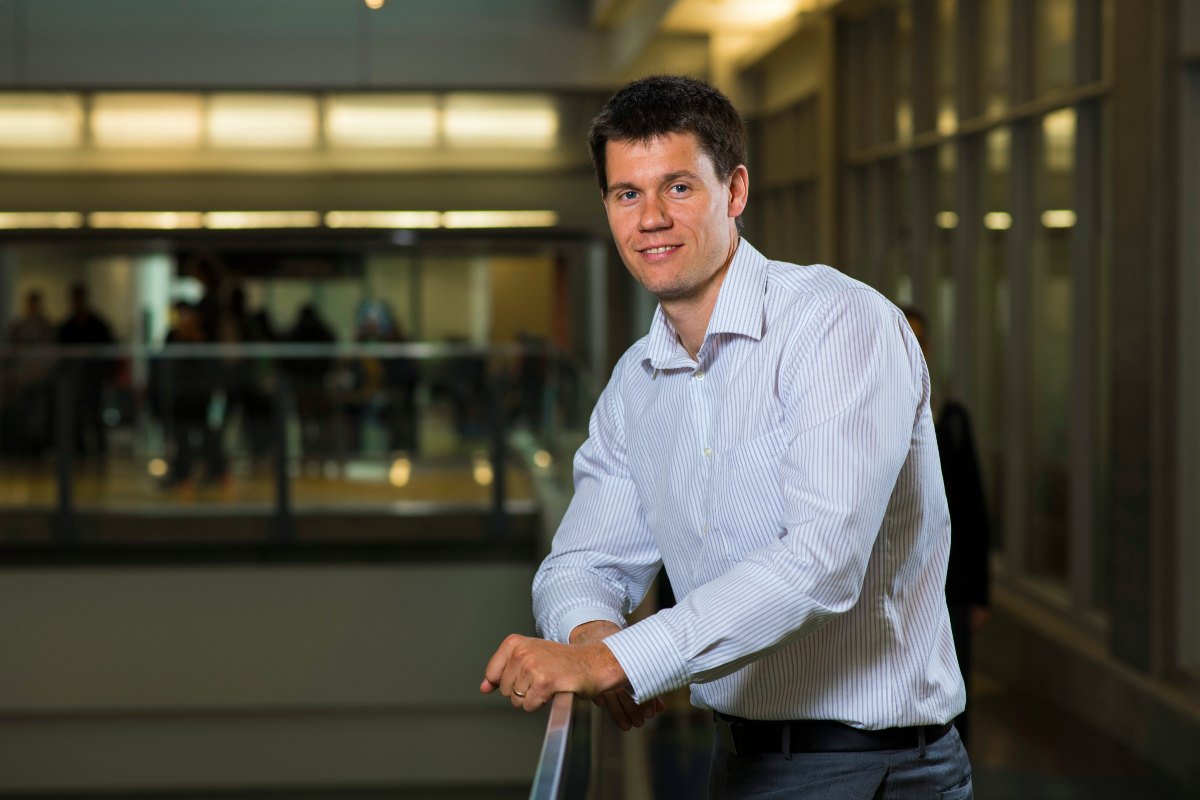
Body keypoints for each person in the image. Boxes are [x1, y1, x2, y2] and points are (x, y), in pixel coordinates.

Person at [481, 76, 972, 799]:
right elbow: (579, 562)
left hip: (872, 769)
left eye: (678, 188)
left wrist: (623, 662)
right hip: (739, 763)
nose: (650, 218)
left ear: (735, 190)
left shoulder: (837, 326)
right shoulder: (637, 383)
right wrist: (591, 638)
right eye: (626, 194)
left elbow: (820, 562)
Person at [903, 307, 991, 747]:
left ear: (929, 348)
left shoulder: (952, 419)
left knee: (954, 679)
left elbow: (973, 510)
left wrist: (979, 594)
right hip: (903, 579)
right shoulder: (870, 411)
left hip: (951, 580)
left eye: (919, 340)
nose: (912, 349)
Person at [56, 282, 116, 460]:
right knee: (75, 415)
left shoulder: (98, 325)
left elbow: (108, 351)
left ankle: (99, 451)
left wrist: (108, 375)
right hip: (73, 379)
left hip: (93, 378)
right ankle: (79, 451)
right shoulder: (67, 326)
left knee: (96, 413)